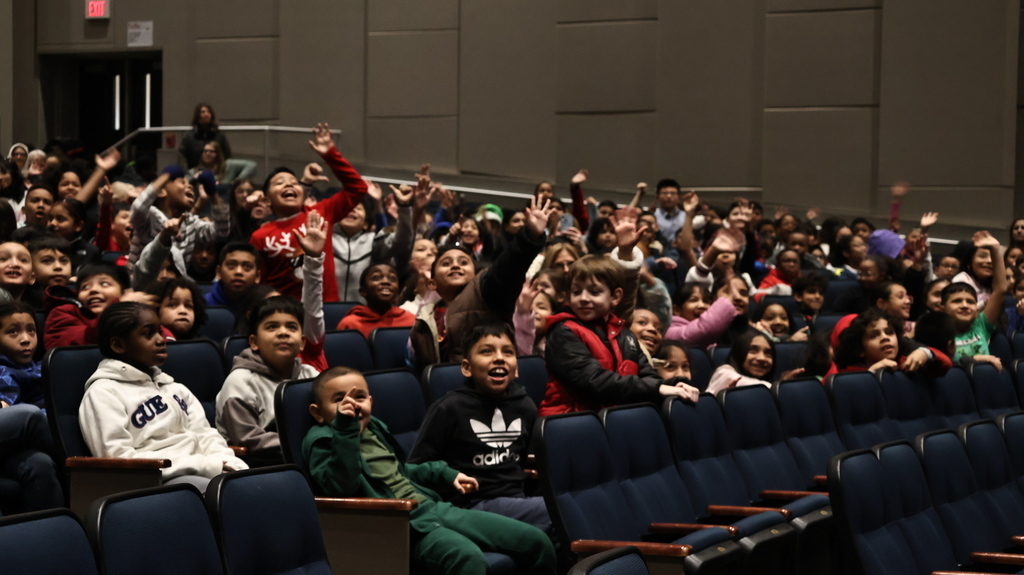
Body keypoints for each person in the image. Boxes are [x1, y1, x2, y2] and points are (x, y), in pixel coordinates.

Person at [304, 366, 556, 575]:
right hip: (397, 524)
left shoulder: (374, 428)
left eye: (359, 397)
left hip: (431, 508)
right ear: (317, 413)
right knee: (468, 560)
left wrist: (446, 474)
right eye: (339, 401)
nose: (352, 406)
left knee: (535, 542)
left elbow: (401, 472)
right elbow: (341, 487)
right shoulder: (322, 440)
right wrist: (345, 431)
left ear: (371, 401)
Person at [80, 302, 248, 490]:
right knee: (220, 494)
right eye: (148, 334)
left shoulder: (175, 389)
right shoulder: (103, 393)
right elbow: (117, 458)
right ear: (118, 345)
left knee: (251, 487)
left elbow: (206, 435)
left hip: (202, 472)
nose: (161, 339)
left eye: (160, 332)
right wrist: (207, 466)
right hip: (152, 482)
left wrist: (233, 466)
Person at [408, 323, 550, 533]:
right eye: (486, 351)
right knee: (557, 511)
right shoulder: (448, 409)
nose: (499, 358)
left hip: (517, 500)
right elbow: (417, 467)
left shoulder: (525, 405)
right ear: (467, 368)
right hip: (471, 505)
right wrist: (448, 478)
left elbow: (520, 461)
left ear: (516, 368)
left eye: (508, 352)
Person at [538, 255, 699, 415]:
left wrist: (676, 384)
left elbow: (648, 377)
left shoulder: (625, 335)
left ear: (615, 297)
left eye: (594, 292)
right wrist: (658, 388)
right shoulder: (563, 331)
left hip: (613, 419)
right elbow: (594, 381)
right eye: (576, 292)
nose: (583, 298)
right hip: (570, 421)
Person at [409, 195, 551, 373]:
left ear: (474, 272)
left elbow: (507, 269)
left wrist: (529, 235)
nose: (455, 265)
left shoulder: (485, 290)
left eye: (463, 262)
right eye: (446, 263)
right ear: (432, 283)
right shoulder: (424, 320)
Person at [249, 123, 367, 302]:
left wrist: (330, 154)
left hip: (326, 307)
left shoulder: (320, 212)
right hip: (286, 313)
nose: (289, 184)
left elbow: (357, 188)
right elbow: (259, 282)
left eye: (294, 182)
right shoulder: (260, 236)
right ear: (266, 200)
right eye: (280, 182)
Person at [217, 296, 319, 466]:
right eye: (272, 327)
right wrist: (307, 443)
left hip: (310, 458)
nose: (283, 332)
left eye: (291, 327)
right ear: (254, 342)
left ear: (302, 343)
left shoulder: (311, 375)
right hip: (262, 467)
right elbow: (247, 439)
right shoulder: (240, 381)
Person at [128, 166, 228, 280]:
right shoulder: (150, 216)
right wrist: (166, 176)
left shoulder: (191, 223)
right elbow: (138, 208)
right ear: (161, 192)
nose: (189, 186)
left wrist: (213, 195)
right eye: (182, 182)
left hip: (173, 288)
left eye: (189, 184)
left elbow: (221, 231)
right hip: (140, 288)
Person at [830, 308, 951, 377]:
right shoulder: (849, 374)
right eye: (873, 336)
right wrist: (870, 376)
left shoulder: (905, 363)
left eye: (889, 332)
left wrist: (926, 353)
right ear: (860, 350)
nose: (885, 338)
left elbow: (945, 366)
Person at [943, 238, 1007, 363]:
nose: (965, 305)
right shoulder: (939, 333)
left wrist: (995, 249)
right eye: (957, 301)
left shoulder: (981, 326)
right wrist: (973, 359)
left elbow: (1000, 289)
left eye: (971, 302)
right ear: (943, 307)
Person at [707, 330, 799, 395]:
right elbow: (744, 383)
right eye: (753, 350)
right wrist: (781, 389)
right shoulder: (724, 372)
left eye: (768, 353)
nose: (762, 358)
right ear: (740, 353)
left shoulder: (767, 386)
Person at [336, 263, 415, 338]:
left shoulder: (410, 320)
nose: (386, 282)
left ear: (398, 292)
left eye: (392, 278)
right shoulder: (350, 324)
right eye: (376, 278)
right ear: (363, 291)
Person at [664, 282, 737, 350]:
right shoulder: (670, 331)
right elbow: (703, 330)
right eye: (693, 300)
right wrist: (725, 301)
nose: (702, 305)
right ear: (677, 310)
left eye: (706, 301)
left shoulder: (713, 339)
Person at [204, 242, 262, 314]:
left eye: (247, 267)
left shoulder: (263, 307)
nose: (238, 272)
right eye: (231, 265)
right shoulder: (202, 305)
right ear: (218, 272)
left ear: (257, 276)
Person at [178, 103, 233, 168]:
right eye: (203, 112)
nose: (206, 114)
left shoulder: (219, 135)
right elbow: (182, 157)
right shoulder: (189, 136)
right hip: (194, 172)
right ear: (197, 116)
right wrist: (186, 173)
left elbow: (227, 156)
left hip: (216, 173)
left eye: (208, 112)